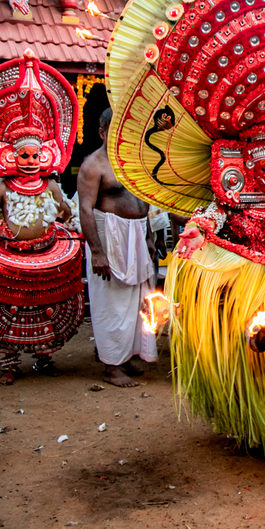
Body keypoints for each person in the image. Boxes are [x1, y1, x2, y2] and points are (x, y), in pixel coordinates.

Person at [78, 108, 158, 387]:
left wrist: (148, 237)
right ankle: (111, 366)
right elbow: (85, 210)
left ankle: (126, 355)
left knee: (137, 298)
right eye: (115, 129)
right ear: (102, 132)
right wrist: (97, 251)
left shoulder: (135, 160)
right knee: (110, 300)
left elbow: (143, 201)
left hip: (136, 233)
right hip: (108, 234)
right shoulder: (93, 165)